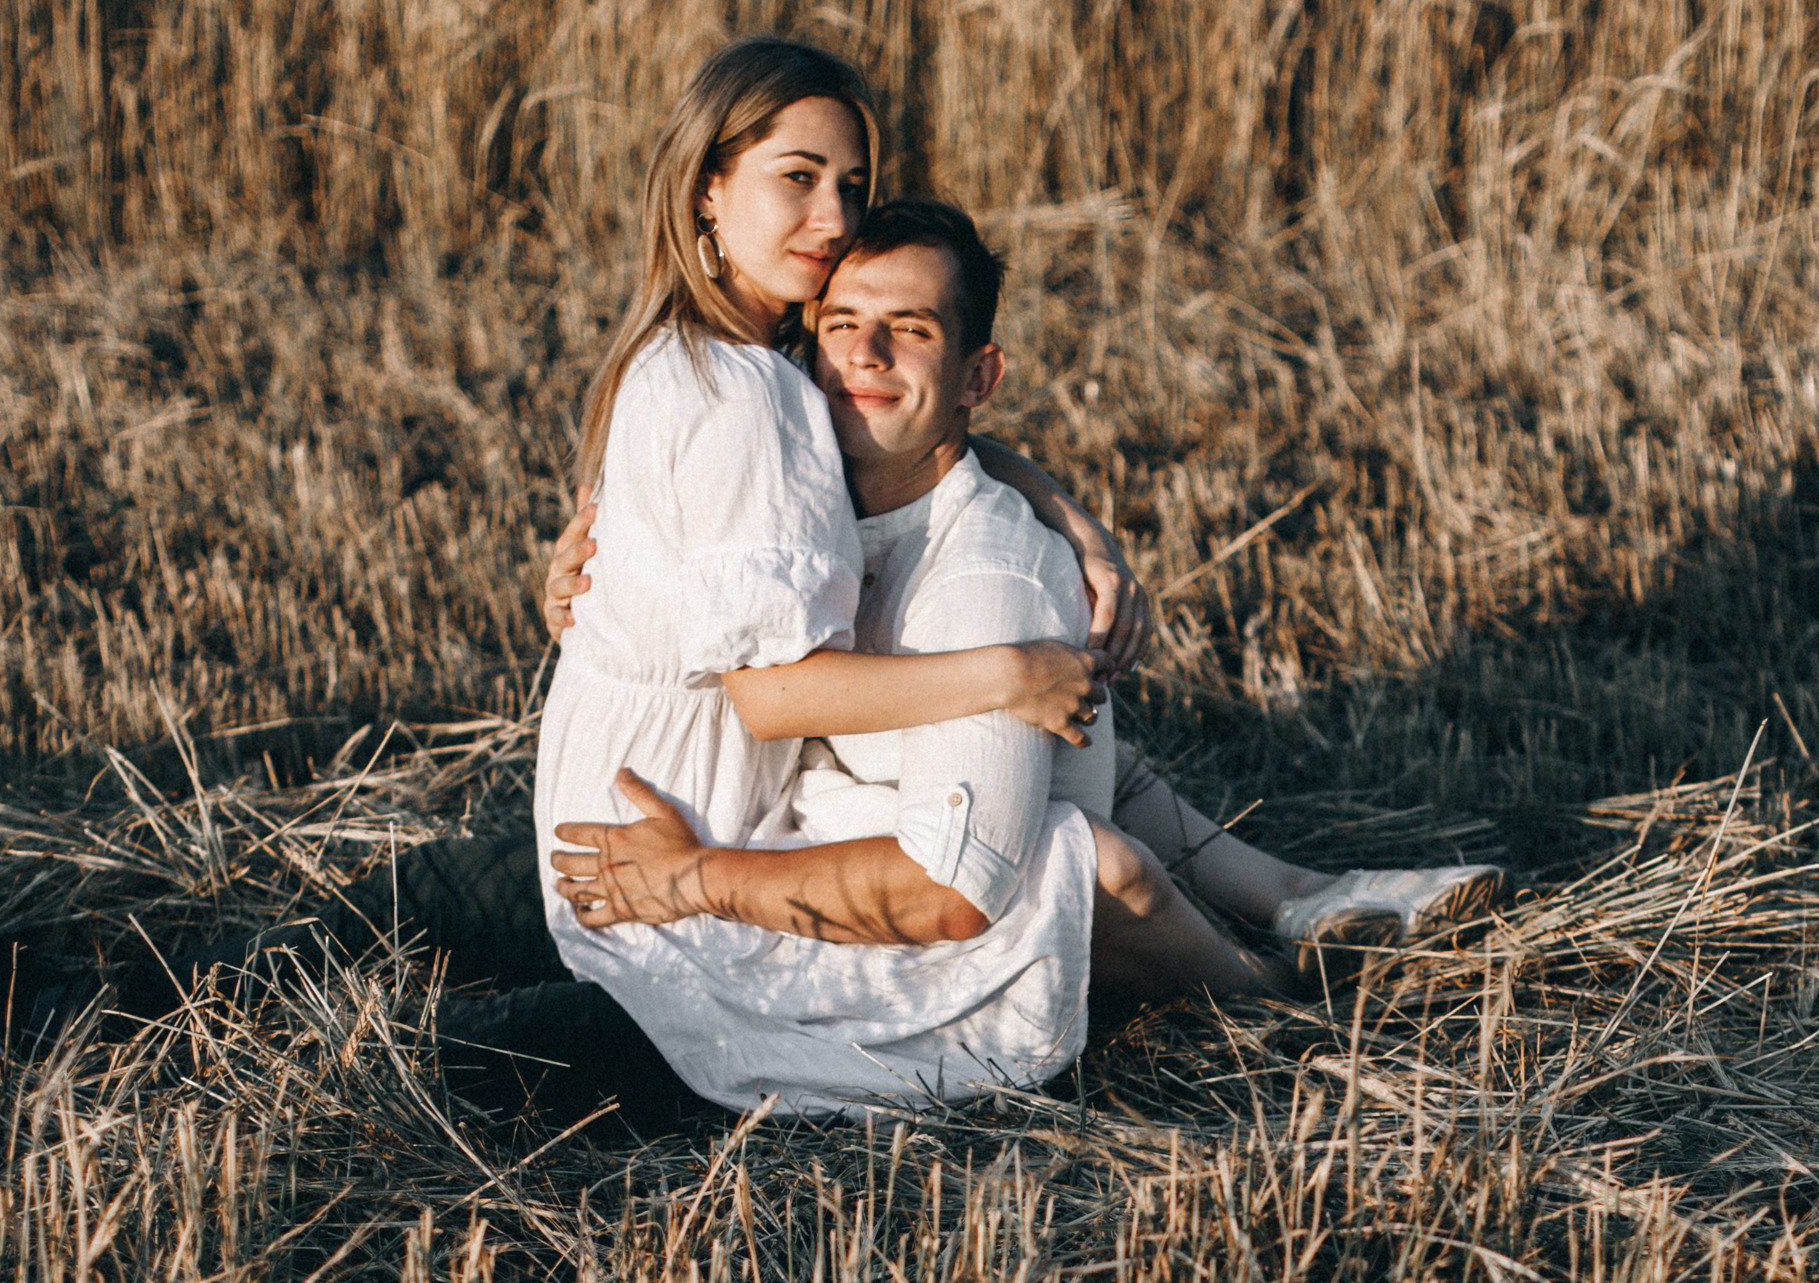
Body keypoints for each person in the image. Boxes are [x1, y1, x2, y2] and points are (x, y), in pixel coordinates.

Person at [546, 199, 1504, 1083]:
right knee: (442, 899)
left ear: (978, 376)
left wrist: (693, 882)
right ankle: (1302, 899)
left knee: (512, 1046)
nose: (864, 355)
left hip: (814, 930)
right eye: (841, 325)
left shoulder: (984, 585)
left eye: (909, 331)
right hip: (748, 843)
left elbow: (947, 895)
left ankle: (1283, 999)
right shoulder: (809, 472)